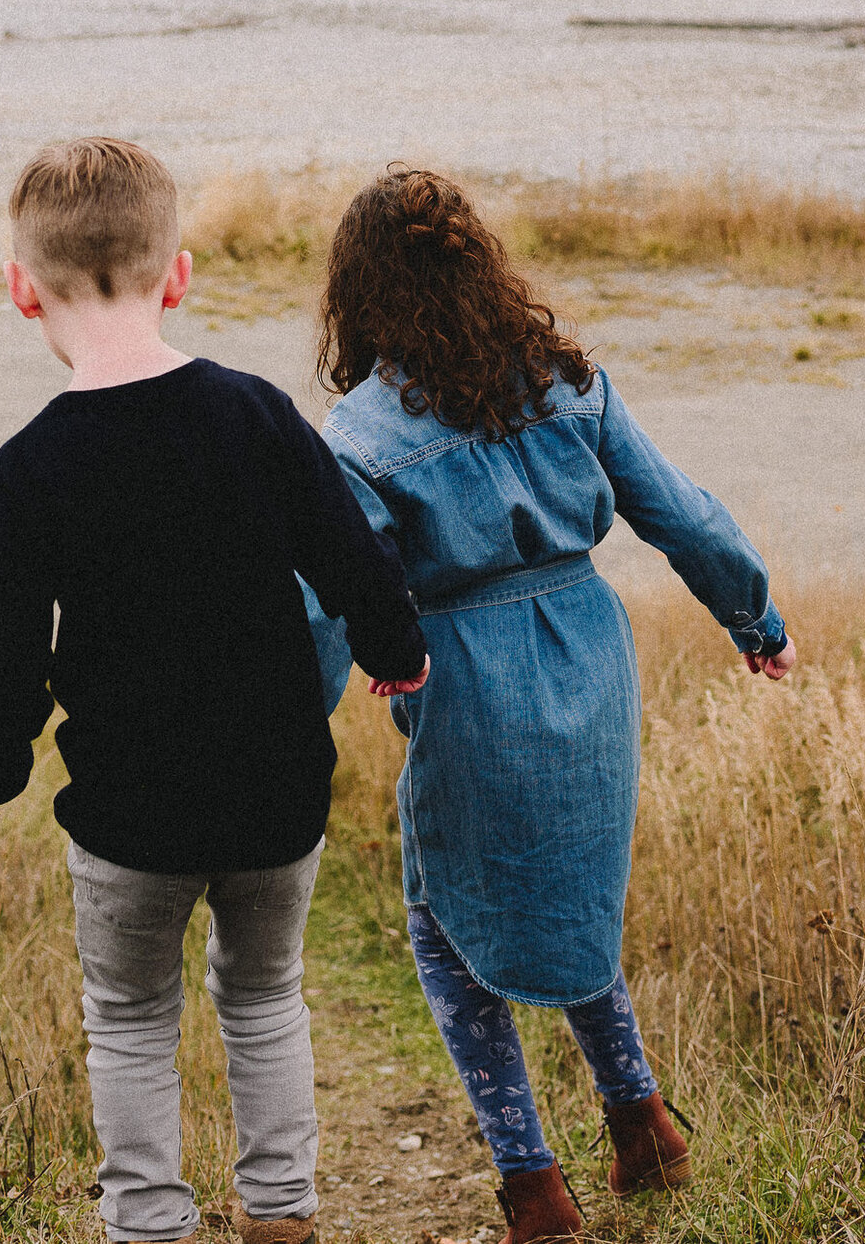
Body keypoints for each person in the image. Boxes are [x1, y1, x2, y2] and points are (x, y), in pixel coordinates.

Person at [0, 137, 430, 1244]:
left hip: (127, 813)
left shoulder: (26, 470)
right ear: (179, 274)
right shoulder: (255, 414)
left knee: (127, 1021)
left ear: (23, 291)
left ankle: (149, 1226)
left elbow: (3, 656)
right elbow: (352, 554)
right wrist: (394, 652)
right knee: (264, 1000)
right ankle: (280, 1216)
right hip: (275, 792)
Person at [310, 168, 796, 1244]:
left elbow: (339, 603)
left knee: (443, 923)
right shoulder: (568, 379)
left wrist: (290, 726)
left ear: (360, 295)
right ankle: (643, 1127)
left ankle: (533, 1188)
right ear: (479, 264)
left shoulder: (360, 432)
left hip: (468, 673)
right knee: (573, 899)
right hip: (589, 654)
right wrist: (754, 620)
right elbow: (682, 515)